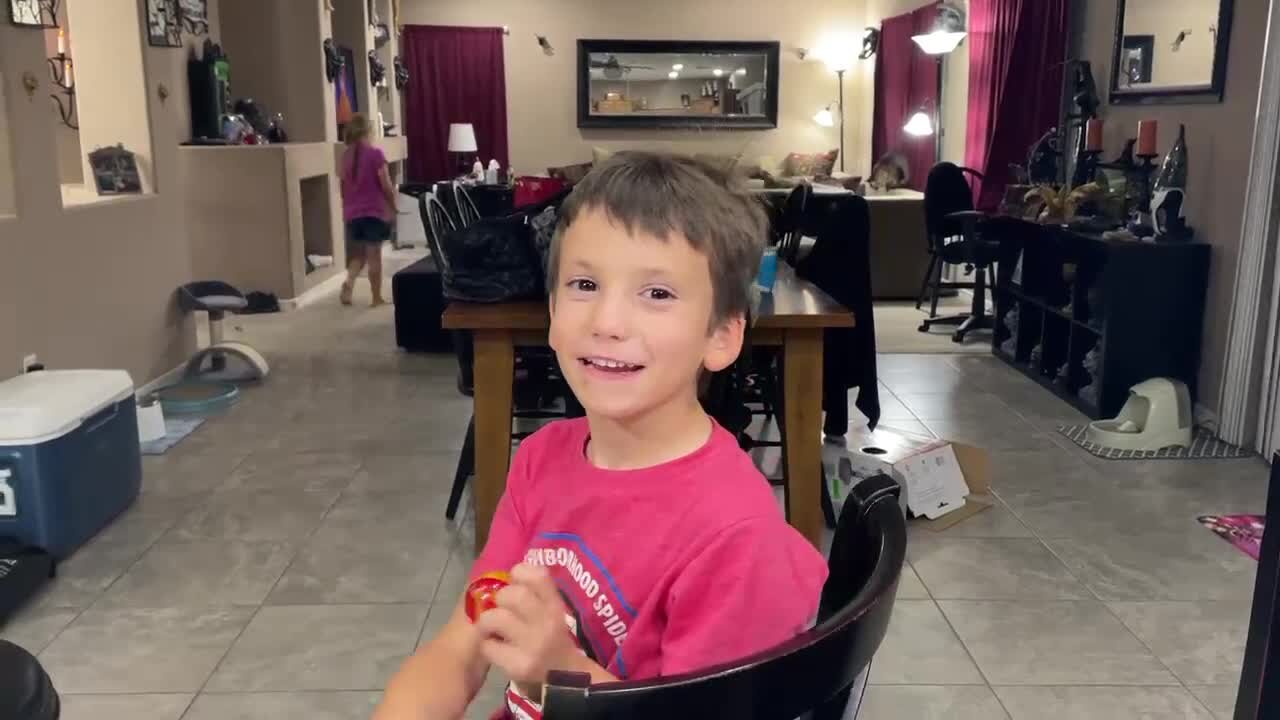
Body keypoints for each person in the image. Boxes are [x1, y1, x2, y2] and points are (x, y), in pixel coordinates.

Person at [372, 152, 828, 720]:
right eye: (585, 284)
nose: (607, 322)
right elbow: (460, 647)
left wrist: (559, 672)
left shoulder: (739, 540)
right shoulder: (539, 460)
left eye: (657, 293)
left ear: (721, 336)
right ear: (553, 310)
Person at [339, 113, 397, 306]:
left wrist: (347, 208)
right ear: (368, 131)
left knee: (359, 254)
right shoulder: (376, 154)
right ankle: (376, 297)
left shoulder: (345, 157)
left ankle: (349, 281)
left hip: (352, 213)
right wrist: (393, 205)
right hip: (374, 212)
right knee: (374, 256)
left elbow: (343, 188)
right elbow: (386, 185)